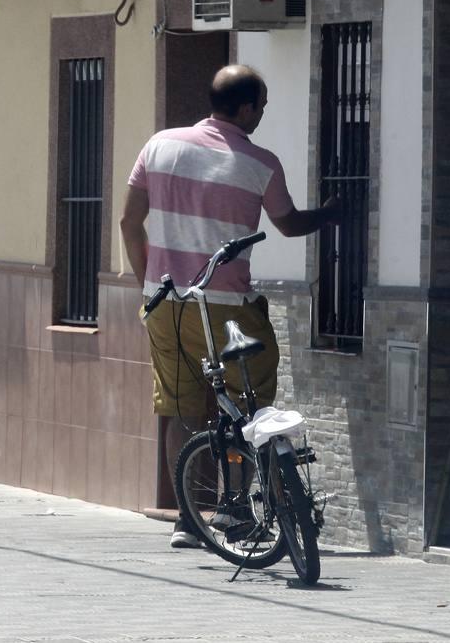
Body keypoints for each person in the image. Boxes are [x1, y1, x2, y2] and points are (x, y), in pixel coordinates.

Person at [120, 64, 339, 549]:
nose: (261, 115)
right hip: (227, 311)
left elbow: (129, 221)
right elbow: (289, 224)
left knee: (180, 408)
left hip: (166, 304)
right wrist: (332, 213)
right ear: (244, 108)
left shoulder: (158, 146)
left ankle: (186, 518)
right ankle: (235, 511)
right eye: (260, 106)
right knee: (248, 402)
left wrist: (150, 286)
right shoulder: (259, 162)